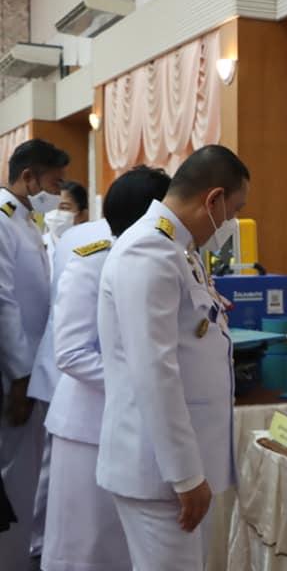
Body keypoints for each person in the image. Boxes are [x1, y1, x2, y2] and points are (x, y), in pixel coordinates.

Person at [97, 145, 248, 570]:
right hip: (160, 473)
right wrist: (185, 475)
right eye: (234, 210)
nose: (231, 223)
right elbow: (155, 372)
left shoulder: (179, 250)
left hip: (178, 469)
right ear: (213, 199)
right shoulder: (149, 250)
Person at [42, 166, 171, 571]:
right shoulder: (93, 262)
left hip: (133, 426)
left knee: (123, 549)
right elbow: (71, 352)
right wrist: (139, 382)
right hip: (88, 426)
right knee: (85, 547)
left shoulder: (163, 262)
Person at [0, 139, 69, 569]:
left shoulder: (24, 220)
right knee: (12, 478)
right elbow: (3, 303)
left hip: (29, 372)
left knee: (24, 477)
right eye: (54, 182)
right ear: (28, 177)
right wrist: (21, 375)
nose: (58, 192)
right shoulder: (2, 221)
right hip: (13, 376)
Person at [27, 179, 89, 562]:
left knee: (53, 464)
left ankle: (42, 540)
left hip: (65, 368)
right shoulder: (38, 242)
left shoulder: (86, 248)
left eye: (65, 207)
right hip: (42, 366)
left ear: (82, 214)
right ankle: (34, 539)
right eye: (55, 206)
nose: (56, 214)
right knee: (39, 462)